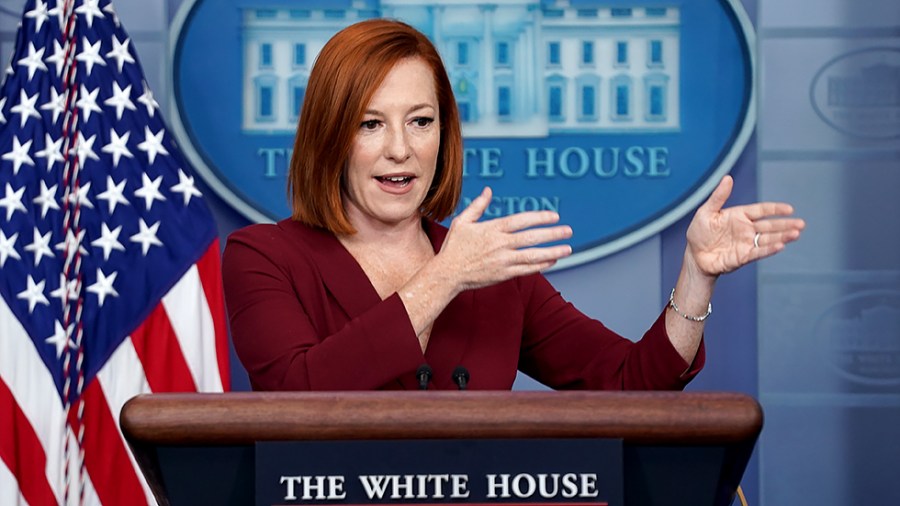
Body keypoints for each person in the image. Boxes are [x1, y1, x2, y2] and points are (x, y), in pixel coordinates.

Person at [221, 19, 805, 391]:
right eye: (371, 124)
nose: (400, 149)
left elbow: (631, 382)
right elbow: (297, 392)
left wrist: (696, 275)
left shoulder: (492, 271)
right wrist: (444, 277)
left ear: (444, 135)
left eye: (421, 122)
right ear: (330, 136)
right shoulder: (264, 256)